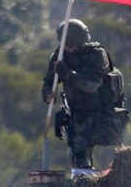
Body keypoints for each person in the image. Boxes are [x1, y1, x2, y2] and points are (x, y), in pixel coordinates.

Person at [41, 18, 111, 172]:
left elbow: (92, 84)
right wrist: (48, 94)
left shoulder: (96, 54)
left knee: (83, 149)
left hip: (97, 111)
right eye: (66, 45)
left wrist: (68, 75)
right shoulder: (59, 55)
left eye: (72, 46)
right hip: (74, 110)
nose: (68, 49)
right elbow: (49, 81)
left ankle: (90, 176)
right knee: (76, 152)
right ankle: (84, 176)